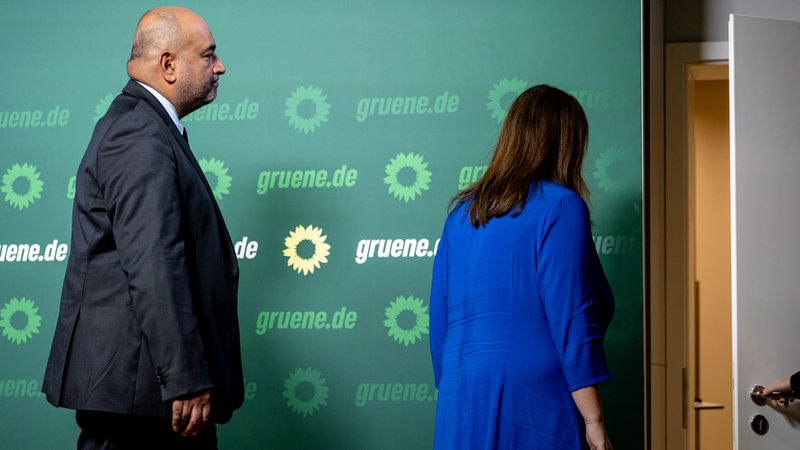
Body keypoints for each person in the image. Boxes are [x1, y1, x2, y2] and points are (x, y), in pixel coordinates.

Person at [42, 6, 243, 449]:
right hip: (145, 399)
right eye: (209, 55)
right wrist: (186, 376)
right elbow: (154, 261)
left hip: (151, 395)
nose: (220, 66)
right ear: (169, 64)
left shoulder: (147, 127)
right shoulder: (138, 130)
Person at [429, 84, 614, 449]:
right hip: (534, 400)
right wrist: (593, 419)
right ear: (568, 144)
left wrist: (455, 388)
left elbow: (439, 322)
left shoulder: (461, 215)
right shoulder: (561, 206)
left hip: (460, 396)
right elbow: (571, 319)